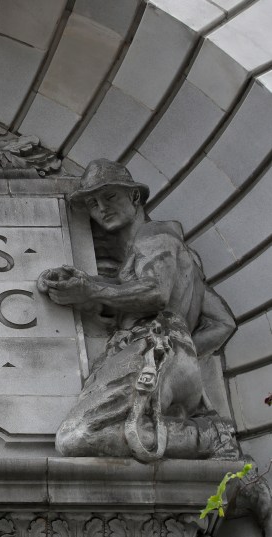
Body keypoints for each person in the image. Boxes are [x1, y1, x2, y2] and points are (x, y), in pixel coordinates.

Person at [37, 159, 239, 461]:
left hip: (150, 348)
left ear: (135, 197)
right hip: (162, 353)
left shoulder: (154, 236)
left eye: (110, 196)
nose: (101, 207)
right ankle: (196, 433)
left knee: (78, 436)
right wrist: (185, 355)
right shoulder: (169, 250)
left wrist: (91, 289)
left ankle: (208, 437)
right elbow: (223, 322)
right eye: (92, 202)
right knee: (84, 435)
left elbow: (155, 293)